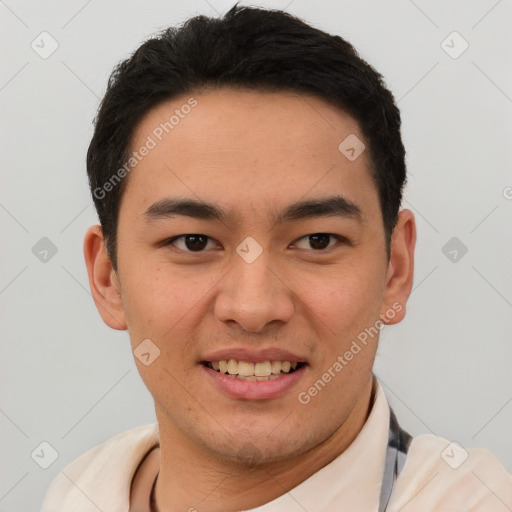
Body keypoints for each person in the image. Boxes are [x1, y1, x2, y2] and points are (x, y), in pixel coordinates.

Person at [40, 4, 512, 511]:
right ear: (107, 277)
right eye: (194, 242)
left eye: (317, 241)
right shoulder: (82, 488)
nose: (254, 306)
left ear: (395, 269)